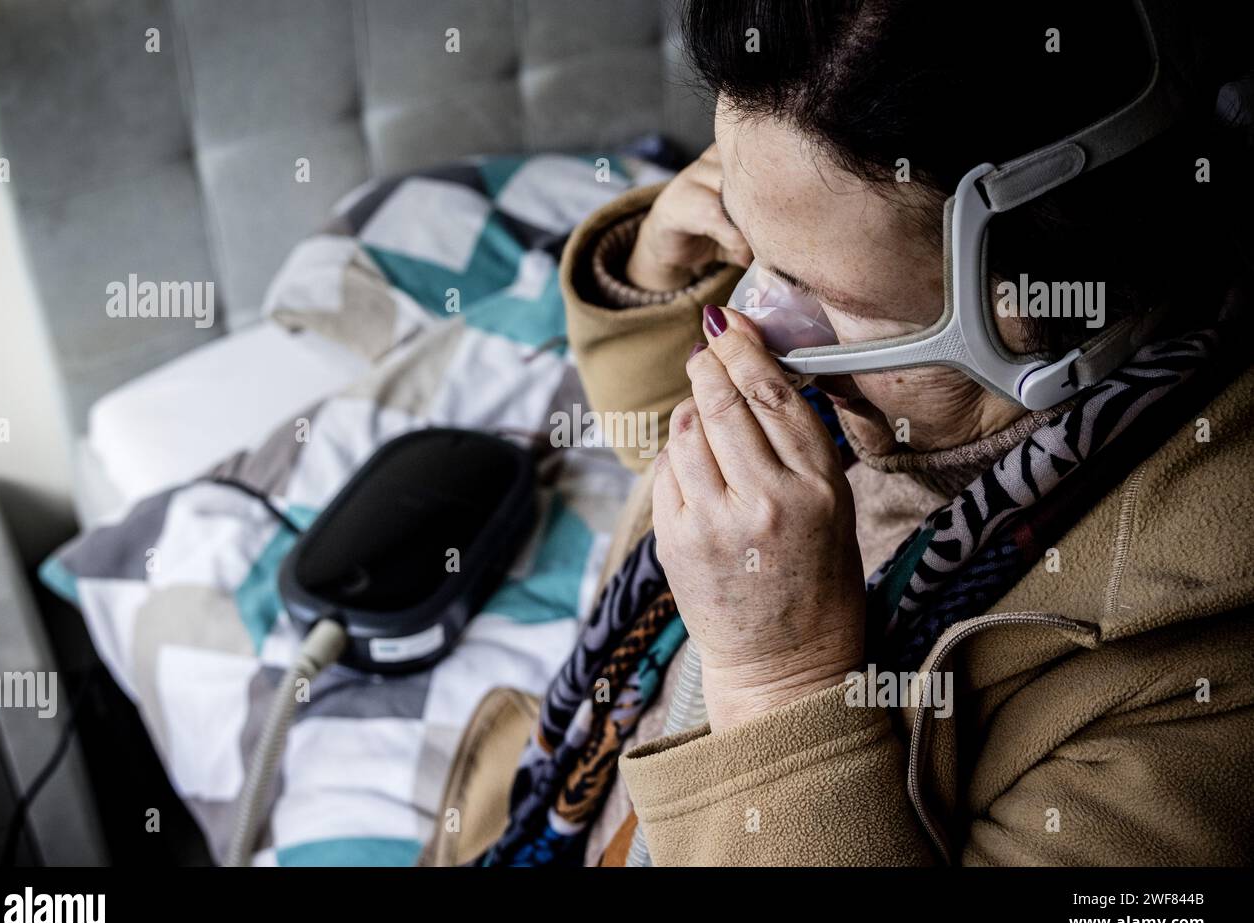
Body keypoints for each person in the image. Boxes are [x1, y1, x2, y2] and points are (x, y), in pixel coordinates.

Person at [441, 0, 1254, 867]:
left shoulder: (1203, 678)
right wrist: (652, 280)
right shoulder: (850, 322)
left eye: (825, 296)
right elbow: (664, 463)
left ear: (1037, 303)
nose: (751, 323)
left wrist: (780, 689)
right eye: (750, 250)